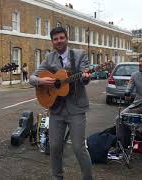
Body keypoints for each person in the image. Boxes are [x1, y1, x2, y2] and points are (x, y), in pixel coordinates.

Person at [29, 27, 93, 180]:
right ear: (52, 41)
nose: (59, 41)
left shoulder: (79, 55)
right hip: (56, 109)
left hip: (76, 108)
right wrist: (40, 80)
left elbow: (86, 78)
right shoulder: (49, 58)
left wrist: (85, 76)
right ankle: (57, 177)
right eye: (55, 39)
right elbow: (32, 78)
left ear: (66, 38)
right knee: (55, 147)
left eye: (61, 38)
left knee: (78, 148)